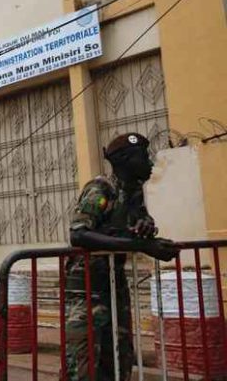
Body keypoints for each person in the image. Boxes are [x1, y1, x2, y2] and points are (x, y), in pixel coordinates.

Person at [65, 133, 179, 381]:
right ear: (125, 160)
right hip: (86, 291)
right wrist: (140, 245)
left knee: (119, 362)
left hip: (114, 286)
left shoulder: (134, 192)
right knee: (82, 367)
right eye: (143, 157)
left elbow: (139, 220)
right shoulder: (101, 188)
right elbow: (79, 234)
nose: (150, 163)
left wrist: (146, 228)